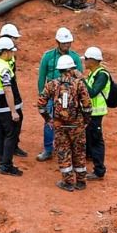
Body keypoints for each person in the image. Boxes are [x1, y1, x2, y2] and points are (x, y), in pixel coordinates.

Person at [38, 53, 91, 190]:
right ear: (71, 69)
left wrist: (48, 119)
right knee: (79, 152)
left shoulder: (52, 85)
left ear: (59, 69)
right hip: (77, 125)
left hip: (59, 124)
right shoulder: (79, 84)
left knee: (63, 152)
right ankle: (81, 182)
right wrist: (85, 121)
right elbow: (87, 105)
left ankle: (68, 183)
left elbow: (41, 104)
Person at [0, 35, 24, 175]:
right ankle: (6, 165)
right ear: (5, 52)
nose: (13, 54)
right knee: (11, 134)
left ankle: (1, 162)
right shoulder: (4, 69)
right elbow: (8, 89)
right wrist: (13, 111)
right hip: (6, 107)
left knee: (0, 133)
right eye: (11, 51)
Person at [35, 27, 75, 160]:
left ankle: (67, 148)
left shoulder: (74, 57)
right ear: (57, 42)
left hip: (68, 95)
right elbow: (42, 77)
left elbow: (79, 77)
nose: (66, 45)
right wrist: (42, 95)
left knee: (68, 121)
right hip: (52, 95)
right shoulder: (48, 56)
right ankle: (48, 149)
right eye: (64, 43)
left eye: (68, 43)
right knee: (49, 121)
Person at [82, 45, 111, 180]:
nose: (84, 62)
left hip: (96, 114)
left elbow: (92, 93)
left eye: (86, 59)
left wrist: (81, 80)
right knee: (90, 137)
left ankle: (99, 170)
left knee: (96, 140)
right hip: (91, 113)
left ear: (93, 61)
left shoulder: (102, 75)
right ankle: (91, 158)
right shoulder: (94, 73)